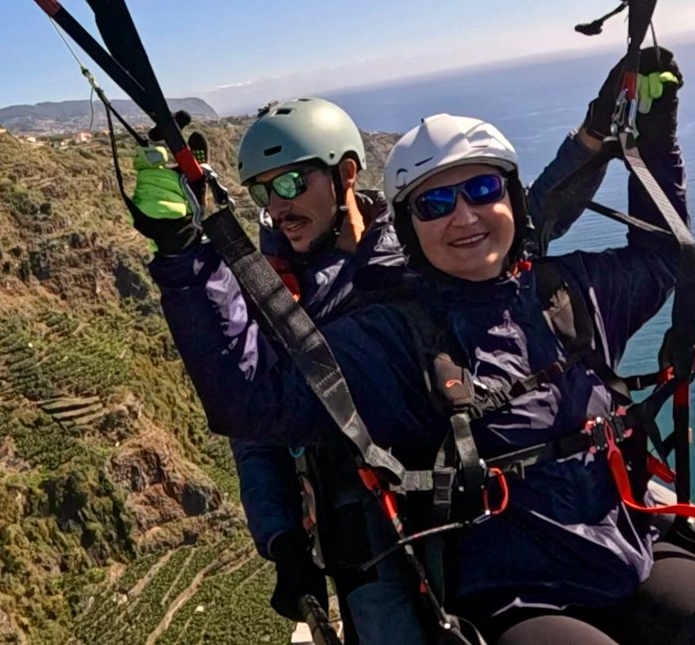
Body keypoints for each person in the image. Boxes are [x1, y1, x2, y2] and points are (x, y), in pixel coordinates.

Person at [132, 50, 695, 643]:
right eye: (435, 206)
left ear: (344, 174)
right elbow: (255, 409)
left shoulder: (556, 290)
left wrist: (641, 137)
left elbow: (598, 234)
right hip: (490, 565)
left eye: (482, 190)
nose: (461, 217)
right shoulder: (359, 324)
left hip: (622, 540)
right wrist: (184, 254)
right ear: (415, 223)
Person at [131, 96, 611, 643]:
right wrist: (284, 539)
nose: (278, 207)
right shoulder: (272, 293)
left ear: (347, 175)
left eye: (290, 183)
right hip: (361, 500)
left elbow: (526, 222)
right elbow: (255, 422)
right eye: (262, 193)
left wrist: (592, 140)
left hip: (460, 473)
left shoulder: (415, 239)